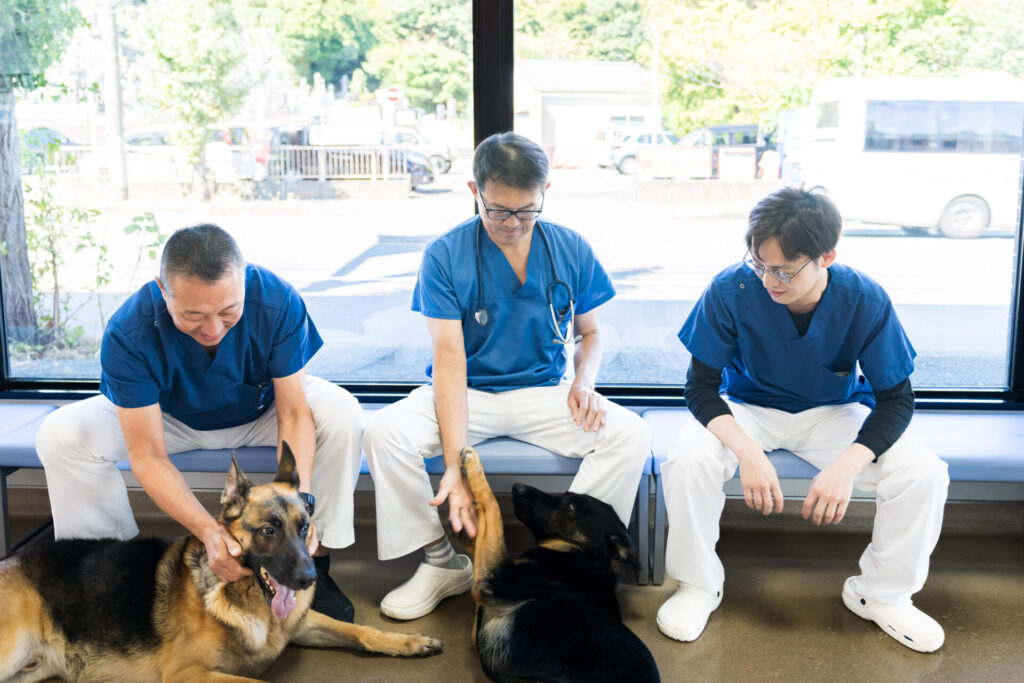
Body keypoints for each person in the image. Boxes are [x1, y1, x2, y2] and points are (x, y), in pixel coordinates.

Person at [363, 131, 651, 620]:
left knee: (630, 435)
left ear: (544, 195)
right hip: (464, 392)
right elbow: (449, 363)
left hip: (542, 392)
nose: (513, 224)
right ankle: (441, 561)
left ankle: (574, 563)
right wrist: (455, 465)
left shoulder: (569, 248)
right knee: (382, 432)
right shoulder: (444, 255)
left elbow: (591, 335)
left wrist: (584, 382)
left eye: (526, 210)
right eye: (497, 210)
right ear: (474, 191)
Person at [658, 186, 949, 652]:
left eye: (783, 270)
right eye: (759, 264)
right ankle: (697, 585)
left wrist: (848, 464)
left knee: (924, 473)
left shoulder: (864, 299)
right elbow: (699, 387)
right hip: (748, 407)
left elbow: (896, 398)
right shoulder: (732, 288)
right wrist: (747, 452)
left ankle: (882, 594)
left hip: (832, 411)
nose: (768, 280)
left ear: (826, 256)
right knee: (688, 459)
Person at [35, 224, 363, 622]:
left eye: (229, 312)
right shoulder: (129, 330)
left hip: (260, 412)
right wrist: (210, 532)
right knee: (62, 434)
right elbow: (148, 453)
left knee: (341, 412)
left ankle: (317, 563)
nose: (212, 330)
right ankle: (107, 575)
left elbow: (293, 412)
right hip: (168, 420)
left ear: (245, 283)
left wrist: (299, 508)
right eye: (192, 315)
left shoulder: (276, 300)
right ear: (162, 290)